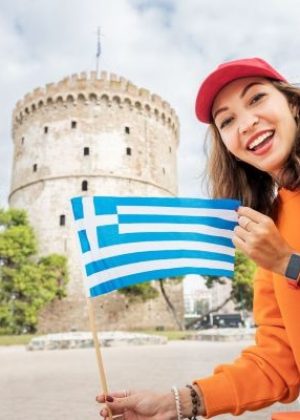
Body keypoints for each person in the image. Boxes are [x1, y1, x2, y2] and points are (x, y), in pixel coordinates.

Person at [96, 57, 300, 419]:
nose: (247, 123)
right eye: (227, 120)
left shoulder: (275, 249)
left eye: (256, 99)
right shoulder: (270, 226)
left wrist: (290, 264)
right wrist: (176, 401)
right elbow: (278, 362)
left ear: (293, 104)